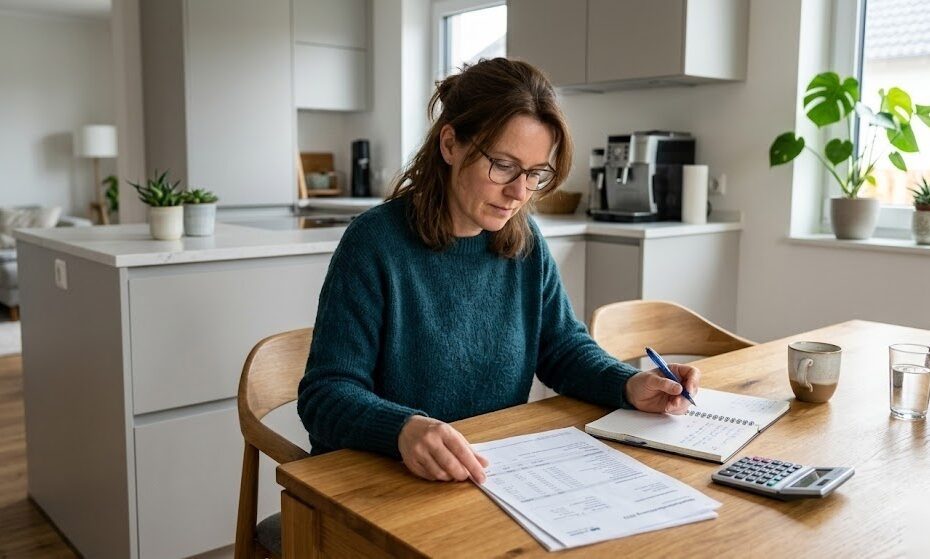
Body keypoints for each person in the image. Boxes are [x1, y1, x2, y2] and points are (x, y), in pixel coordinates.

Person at [297, 57, 700, 484]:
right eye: (503, 166)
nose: (518, 192)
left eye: (535, 174)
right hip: (376, 480)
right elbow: (325, 394)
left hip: (485, 472)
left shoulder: (523, 241)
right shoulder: (375, 243)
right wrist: (402, 429)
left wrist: (628, 384)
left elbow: (562, 349)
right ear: (450, 145)